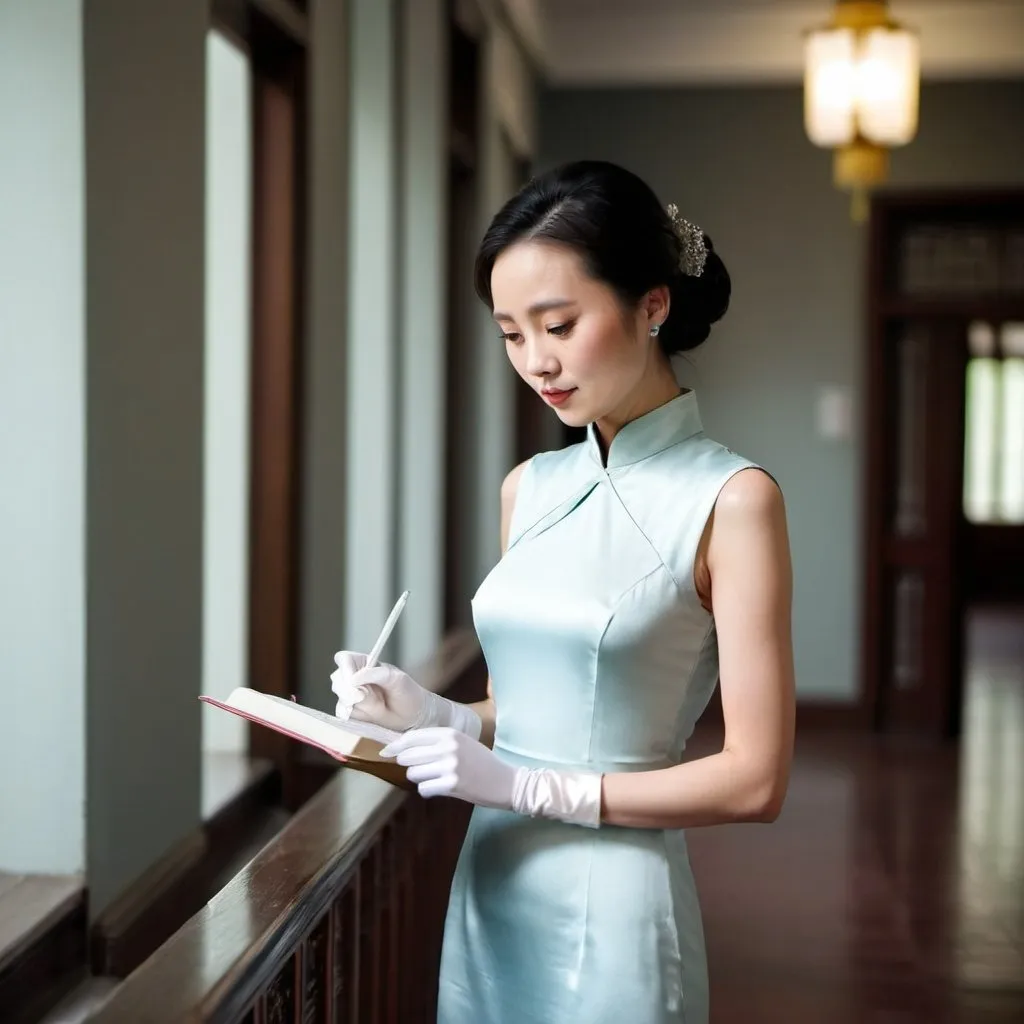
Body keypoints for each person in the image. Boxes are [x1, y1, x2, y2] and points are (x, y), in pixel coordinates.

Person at [331, 159, 796, 1024]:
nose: (536, 361)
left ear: (651, 305)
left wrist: (532, 791)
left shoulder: (733, 500)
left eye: (559, 323)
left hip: (615, 903)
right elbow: (529, 709)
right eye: (511, 334)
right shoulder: (530, 487)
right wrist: (431, 714)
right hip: (493, 883)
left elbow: (755, 780)